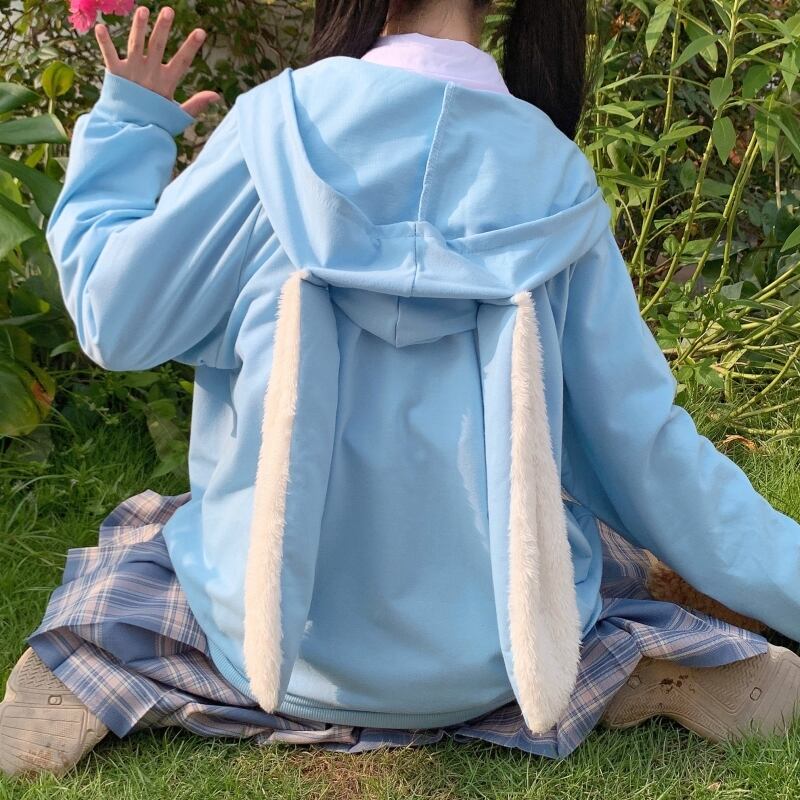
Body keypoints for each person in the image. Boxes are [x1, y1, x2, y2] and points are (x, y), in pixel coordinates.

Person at [2, 0, 800, 779]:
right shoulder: (556, 179)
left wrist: (130, 127)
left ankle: (84, 673)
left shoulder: (275, 131)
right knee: (599, 558)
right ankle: (655, 665)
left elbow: (114, 316)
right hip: (502, 659)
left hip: (276, 649)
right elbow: (649, 458)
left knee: (142, 547)